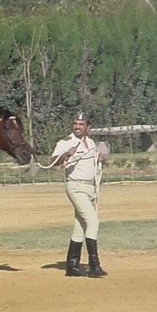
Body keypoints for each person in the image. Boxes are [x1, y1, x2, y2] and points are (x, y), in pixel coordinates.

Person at [50, 111, 108, 278]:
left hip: (90, 187)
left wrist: (99, 158)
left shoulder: (90, 142)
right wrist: (66, 154)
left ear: (87, 127)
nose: (77, 126)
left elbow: (91, 160)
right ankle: (94, 265)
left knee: (80, 227)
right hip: (75, 186)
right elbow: (52, 161)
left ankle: (72, 265)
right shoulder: (66, 142)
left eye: (81, 124)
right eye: (75, 123)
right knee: (93, 222)